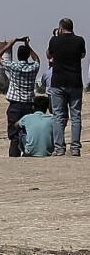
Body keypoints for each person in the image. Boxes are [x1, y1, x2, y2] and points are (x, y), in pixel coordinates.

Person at [47, 18, 85, 157]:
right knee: (76, 115)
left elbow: (49, 54)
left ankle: (59, 148)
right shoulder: (79, 40)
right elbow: (82, 54)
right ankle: (75, 148)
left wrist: (56, 36)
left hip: (58, 82)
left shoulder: (54, 40)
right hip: (75, 81)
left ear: (60, 28)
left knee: (58, 115)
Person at [0, 37, 40, 158]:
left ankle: (14, 157)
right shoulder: (33, 68)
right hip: (28, 105)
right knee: (27, 132)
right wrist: (28, 46)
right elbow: (37, 60)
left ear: (18, 56)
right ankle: (27, 153)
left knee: (14, 135)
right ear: (27, 56)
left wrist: (10, 44)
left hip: (15, 104)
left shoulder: (13, 66)